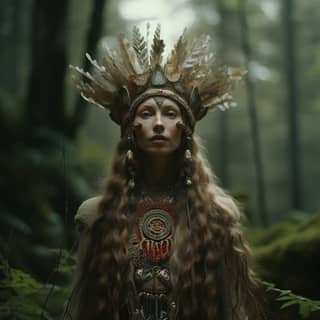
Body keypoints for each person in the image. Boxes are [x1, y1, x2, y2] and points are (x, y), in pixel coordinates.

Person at [64, 25, 264, 320]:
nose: (158, 123)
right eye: (146, 113)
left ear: (185, 129)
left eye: (170, 114)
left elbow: (231, 311)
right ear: (132, 129)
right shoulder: (95, 216)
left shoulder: (218, 215)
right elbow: (79, 310)